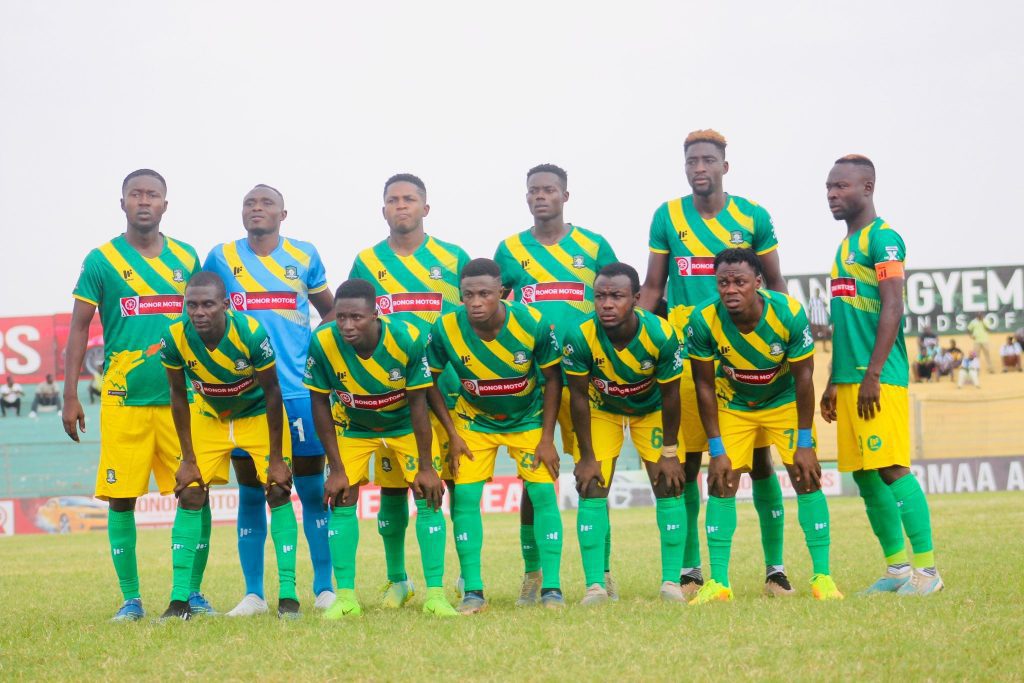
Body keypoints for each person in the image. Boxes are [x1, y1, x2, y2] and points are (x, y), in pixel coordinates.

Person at [638, 129, 795, 597]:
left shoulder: (753, 216)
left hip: (746, 349)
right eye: (692, 161)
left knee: (760, 463)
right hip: (690, 350)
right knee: (688, 462)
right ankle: (691, 570)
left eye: (708, 160)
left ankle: (775, 570)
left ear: (725, 166)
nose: (699, 168)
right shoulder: (667, 216)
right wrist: (639, 340)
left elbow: (776, 282)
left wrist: (785, 337)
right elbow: (653, 287)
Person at [62, 169, 200, 621]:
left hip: (181, 398)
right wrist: (70, 394)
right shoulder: (101, 260)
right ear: (122, 203)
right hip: (124, 400)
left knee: (192, 492)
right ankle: (131, 600)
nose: (144, 201)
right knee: (122, 499)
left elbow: (204, 320)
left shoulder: (186, 257)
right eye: (136, 194)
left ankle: (186, 596)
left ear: (165, 204)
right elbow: (79, 327)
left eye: (152, 194)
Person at [203, 184, 336, 616]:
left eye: (266, 203)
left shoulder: (304, 255)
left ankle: (324, 588)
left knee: (311, 489)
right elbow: (203, 311)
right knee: (251, 491)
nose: (256, 208)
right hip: (246, 396)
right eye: (249, 203)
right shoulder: (221, 257)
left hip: (298, 392)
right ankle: (254, 595)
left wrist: (312, 352)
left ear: (283, 214)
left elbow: (332, 312)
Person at [494, 163, 619, 603]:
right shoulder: (509, 250)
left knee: (595, 476)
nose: (540, 196)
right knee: (535, 484)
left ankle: (602, 573)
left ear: (565, 196)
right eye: (533, 190)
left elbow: (618, 299)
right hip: (534, 383)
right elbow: (496, 310)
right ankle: (535, 573)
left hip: (589, 379)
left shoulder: (593, 245)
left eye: (549, 190)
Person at [688, 249, 842, 603]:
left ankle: (822, 577)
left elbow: (805, 379)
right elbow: (704, 386)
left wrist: (805, 442)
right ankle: (719, 583)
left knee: (806, 476)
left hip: (783, 401)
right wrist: (716, 449)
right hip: (735, 404)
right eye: (723, 282)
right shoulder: (703, 319)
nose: (730, 289)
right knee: (722, 480)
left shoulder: (788, 313)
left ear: (758, 282)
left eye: (739, 282)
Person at [820, 154, 943, 595]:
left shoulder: (884, 239)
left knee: (891, 467)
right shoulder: (843, 248)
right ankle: (897, 569)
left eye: (842, 186)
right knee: (865, 475)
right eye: (829, 187)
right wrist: (834, 379)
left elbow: (893, 306)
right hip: (849, 378)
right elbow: (845, 321)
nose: (832, 195)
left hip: (879, 377)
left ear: (867, 188)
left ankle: (927, 572)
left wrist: (872, 374)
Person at [348, 173, 471, 609]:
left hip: (448, 391)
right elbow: (351, 319)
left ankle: (466, 577)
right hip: (391, 398)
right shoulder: (367, 262)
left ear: (425, 207)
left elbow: (471, 318)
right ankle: (398, 579)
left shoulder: (452, 258)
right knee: (394, 488)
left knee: (455, 485)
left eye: (409, 199)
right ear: (383, 209)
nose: (401, 205)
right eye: (393, 199)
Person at [304, 279, 456, 619]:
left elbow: (419, 403)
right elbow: (319, 403)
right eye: (341, 317)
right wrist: (336, 468)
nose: (347, 325)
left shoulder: (406, 338)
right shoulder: (323, 341)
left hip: (404, 425)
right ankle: (346, 598)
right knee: (342, 496)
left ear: (375, 314)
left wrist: (427, 467)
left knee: (428, 496)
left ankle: (436, 595)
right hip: (355, 427)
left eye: (356, 317)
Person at [427, 258, 565, 614]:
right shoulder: (445, 328)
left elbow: (554, 379)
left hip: (527, 419)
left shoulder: (531, 322)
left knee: (543, 494)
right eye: (468, 295)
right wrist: (452, 433)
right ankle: (473, 591)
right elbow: (428, 383)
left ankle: (550, 587)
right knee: (465, 498)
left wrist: (547, 438)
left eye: (485, 294)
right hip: (474, 422)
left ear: (501, 292)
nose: (476, 302)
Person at [159, 272, 300, 620]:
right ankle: (179, 601)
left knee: (278, 489)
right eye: (192, 305)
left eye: (208, 304)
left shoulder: (250, 333)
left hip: (257, 415)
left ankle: (288, 596)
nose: (199, 312)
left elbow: (273, 393)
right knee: (190, 492)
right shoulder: (174, 336)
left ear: (226, 304)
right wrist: (187, 458)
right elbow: (177, 395)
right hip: (210, 418)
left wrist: (278, 459)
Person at [563, 263, 687, 605]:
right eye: (600, 296)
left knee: (669, 483)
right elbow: (578, 398)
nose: (606, 304)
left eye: (616, 296)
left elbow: (672, 396)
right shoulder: (580, 335)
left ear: (635, 298)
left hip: (652, 409)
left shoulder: (661, 334)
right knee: (591, 484)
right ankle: (596, 586)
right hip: (602, 409)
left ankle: (671, 582)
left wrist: (670, 452)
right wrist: (587, 456)